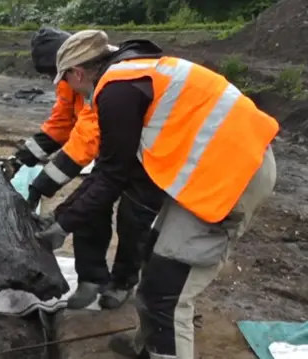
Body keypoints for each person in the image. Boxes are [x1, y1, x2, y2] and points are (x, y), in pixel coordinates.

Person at [34, 30, 278, 359]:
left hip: (232, 177)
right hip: (215, 169)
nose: (69, 90)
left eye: (66, 81)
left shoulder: (116, 90)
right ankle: (146, 348)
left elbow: (110, 175)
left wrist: (60, 224)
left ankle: (163, 350)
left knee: (167, 295)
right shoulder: (138, 72)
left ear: (77, 72)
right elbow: (115, 168)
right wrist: (62, 218)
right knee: (154, 258)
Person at [8, 27, 164, 309]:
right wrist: (20, 159)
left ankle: (122, 282)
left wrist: (41, 186)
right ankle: (92, 278)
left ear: (74, 67)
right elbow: (61, 124)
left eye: (57, 74)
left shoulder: (114, 78)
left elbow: (87, 139)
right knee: (91, 209)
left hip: (151, 156)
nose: (57, 82)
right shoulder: (72, 81)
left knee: (133, 220)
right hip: (116, 152)